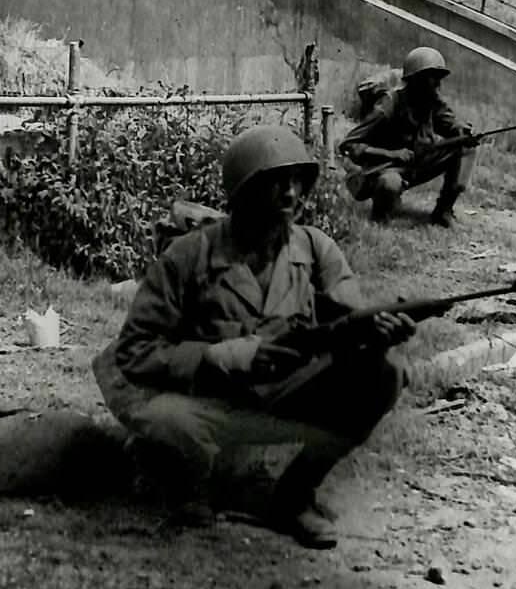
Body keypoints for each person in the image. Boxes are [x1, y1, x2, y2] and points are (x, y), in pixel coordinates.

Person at [93, 125, 414, 548]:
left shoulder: (316, 250)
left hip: (285, 395)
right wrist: (219, 356)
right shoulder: (190, 255)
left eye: (298, 182)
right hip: (208, 400)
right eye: (276, 183)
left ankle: (294, 496)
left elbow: (350, 321)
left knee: (385, 373)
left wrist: (377, 335)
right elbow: (135, 351)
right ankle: (184, 484)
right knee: (165, 422)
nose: (291, 194)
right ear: (243, 192)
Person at [338, 47, 475, 227]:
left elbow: (449, 123)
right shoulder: (388, 105)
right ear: (416, 79)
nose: (437, 84)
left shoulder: (432, 100)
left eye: (438, 78)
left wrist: (462, 131)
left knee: (465, 147)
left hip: (418, 162)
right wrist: (391, 154)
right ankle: (381, 214)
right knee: (389, 184)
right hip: (389, 168)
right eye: (432, 78)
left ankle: (443, 211)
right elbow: (350, 145)